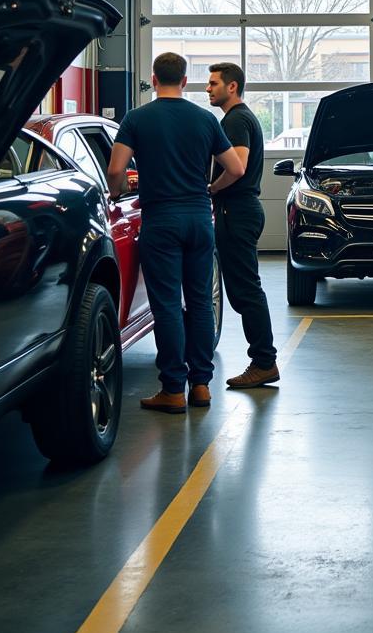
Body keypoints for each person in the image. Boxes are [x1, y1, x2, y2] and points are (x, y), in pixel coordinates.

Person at [108, 52, 243, 414]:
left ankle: (172, 389)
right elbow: (236, 168)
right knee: (199, 302)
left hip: (161, 220)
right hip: (199, 219)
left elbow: (115, 168)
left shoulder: (137, 119)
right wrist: (210, 189)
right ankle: (201, 386)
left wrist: (117, 190)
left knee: (166, 304)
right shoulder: (205, 119)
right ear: (184, 81)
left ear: (154, 80)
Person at [206, 62, 279, 390]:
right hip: (241, 210)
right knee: (243, 290)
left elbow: (237, 167)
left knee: (246, 290)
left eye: (213, 84)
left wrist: (211, 188)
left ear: (231, 87)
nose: (208, 89)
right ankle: (263, 358)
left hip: (236, 210)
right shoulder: (240, 118)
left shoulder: (235, 120)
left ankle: (264, 361)